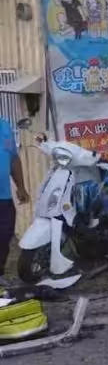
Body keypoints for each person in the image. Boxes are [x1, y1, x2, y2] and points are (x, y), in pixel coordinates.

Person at [0, 118, 28, 284]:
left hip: (4, 197)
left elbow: (13, 159)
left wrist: (21, 187)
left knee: (4, 237)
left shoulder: (4, 127)